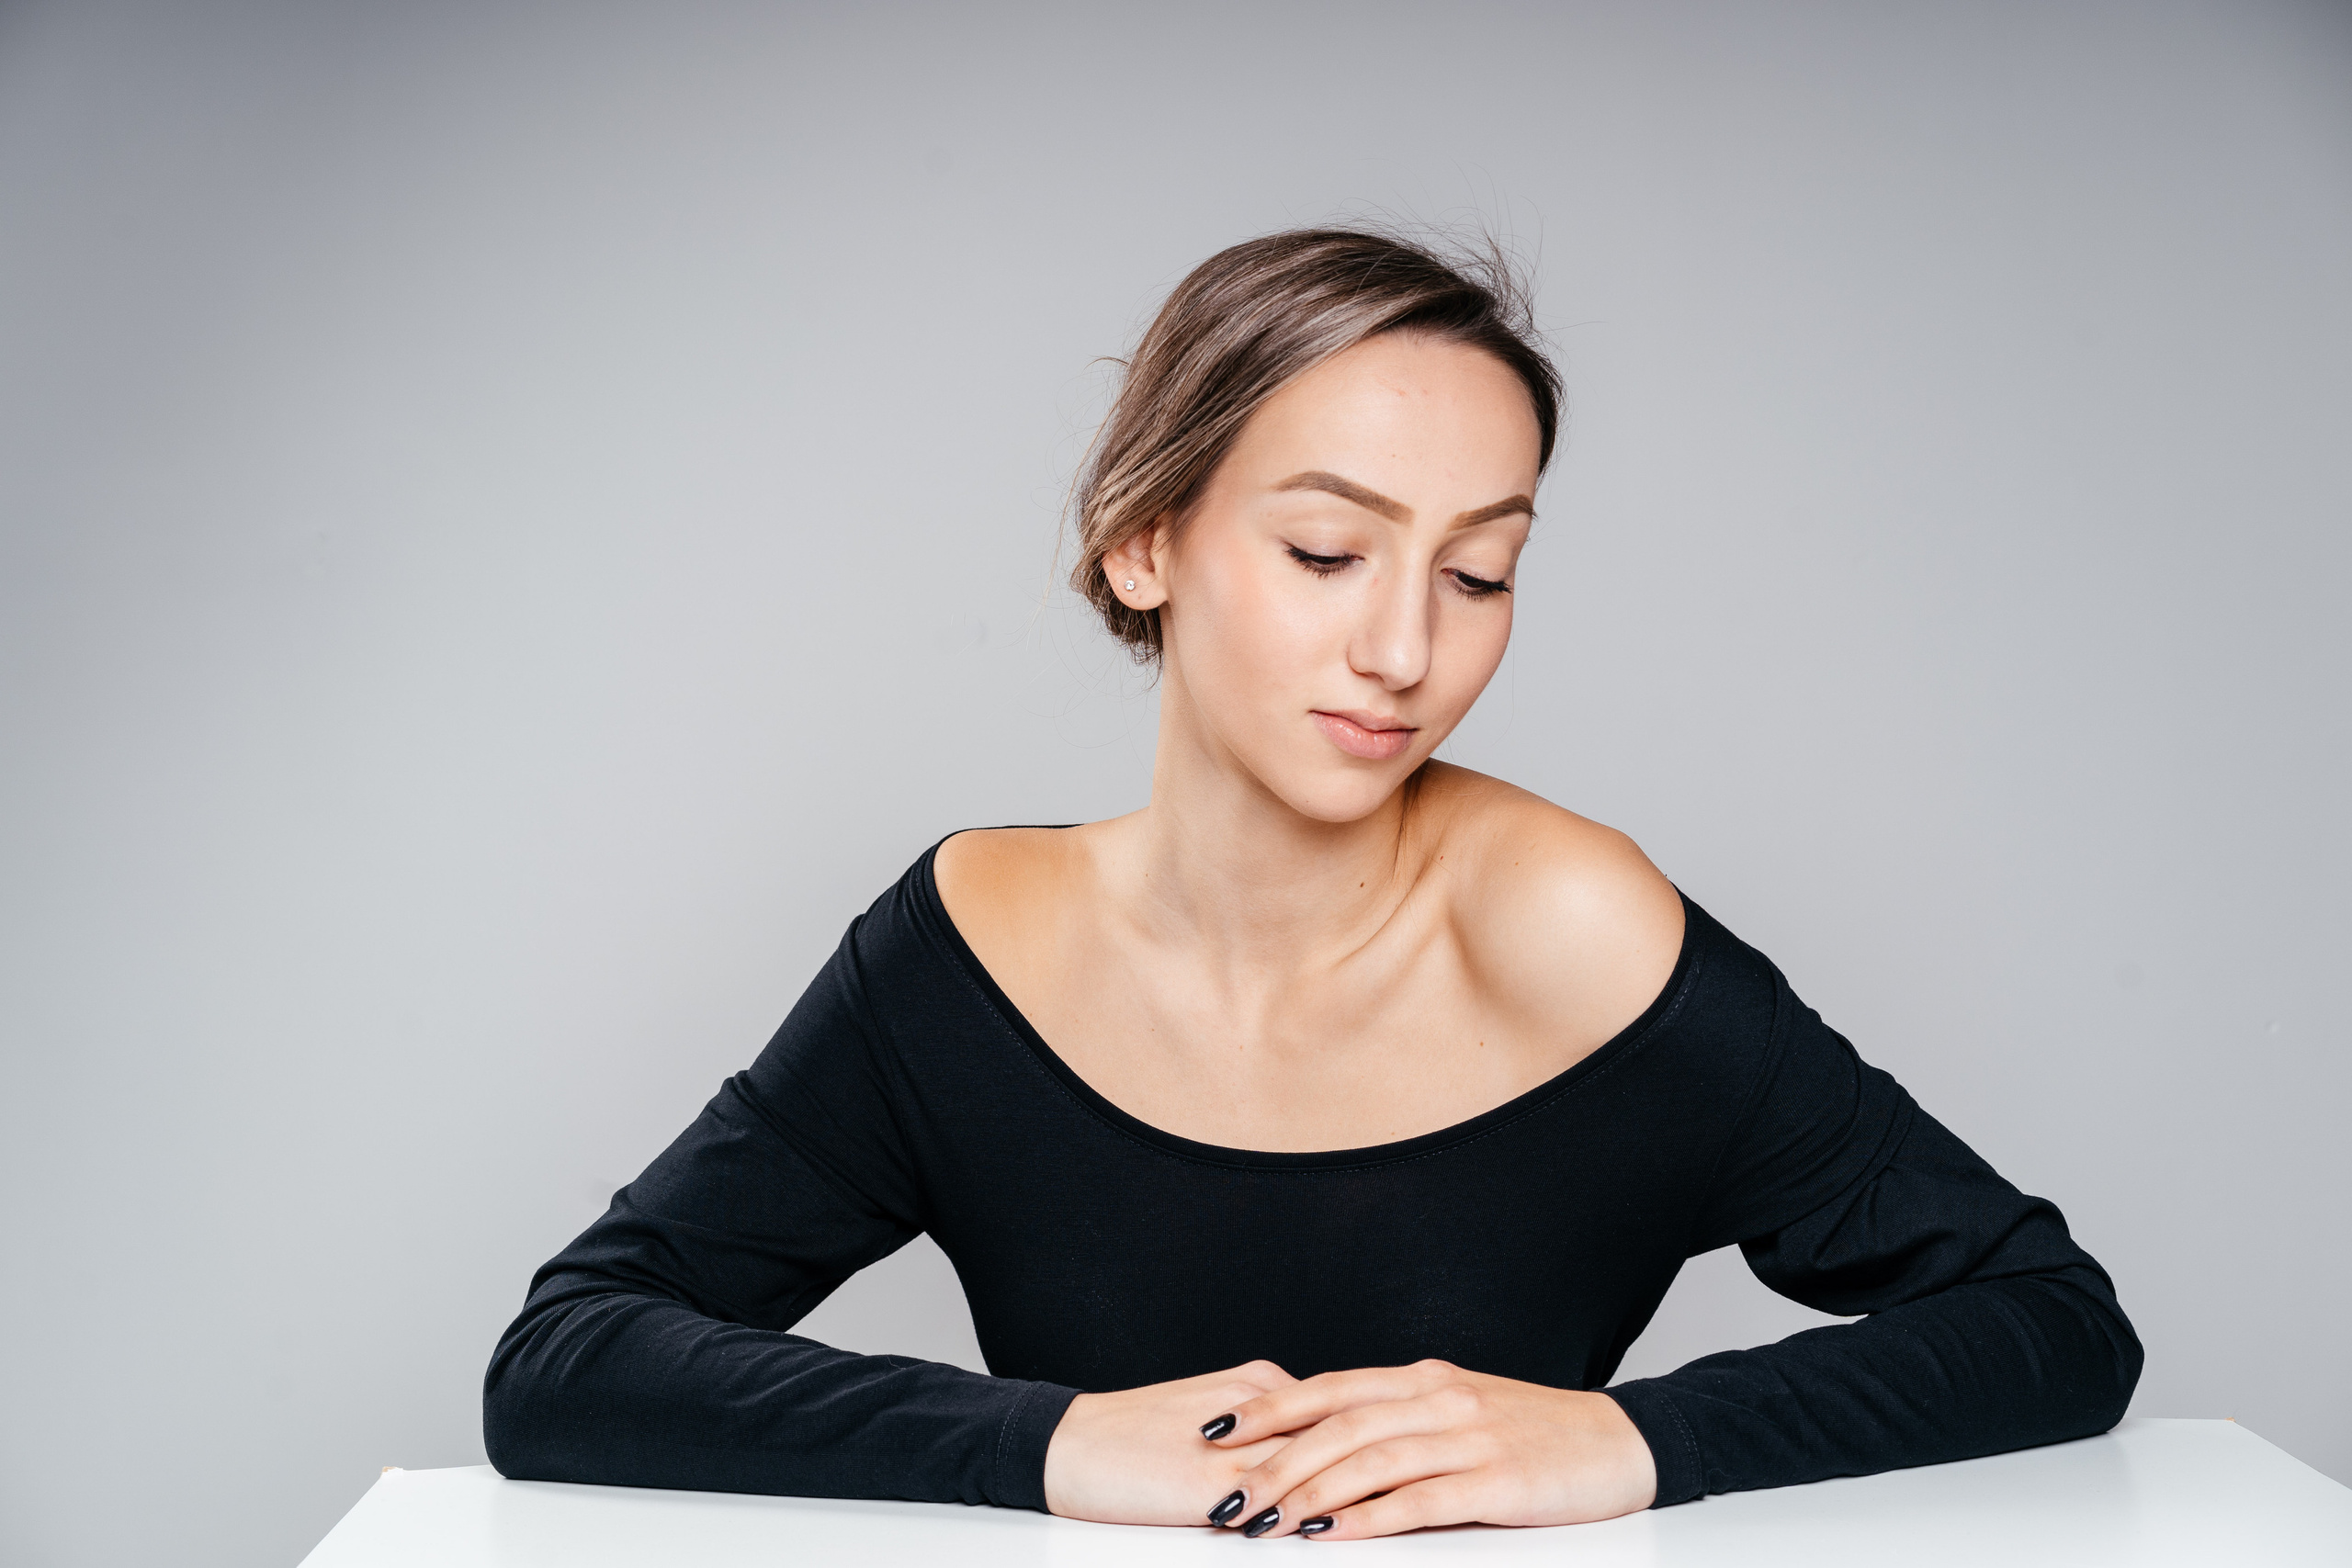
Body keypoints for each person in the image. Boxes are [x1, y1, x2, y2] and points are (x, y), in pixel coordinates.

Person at [482, 229, 2142, 1541]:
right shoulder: (973, 948)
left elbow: (2051, 1320)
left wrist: (1629, 1442)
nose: (1410, 649)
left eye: (1480, 570)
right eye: (1328, 552)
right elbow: (570, 1357)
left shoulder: (1570, 928)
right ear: (1145, 541)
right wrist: (1051, 1445)